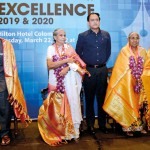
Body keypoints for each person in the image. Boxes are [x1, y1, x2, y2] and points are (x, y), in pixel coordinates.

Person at [38, 29, 90, 146]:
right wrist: (66, 61)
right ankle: (59, 133)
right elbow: (50, 65)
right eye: (61, 35)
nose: (63, 37)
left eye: (65, 35)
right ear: (55, 37)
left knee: (72, 104)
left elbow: (77, 63)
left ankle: (72, 133)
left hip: (69, 82)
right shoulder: (50, 49)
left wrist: (67, 67)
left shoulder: (69, 48)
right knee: (57, 108)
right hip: (56, 82)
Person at [103, 32, 150, 136]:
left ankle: (138, 126)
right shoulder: (124, 51)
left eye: (137, 38)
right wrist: (133, 77)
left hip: (140, 83)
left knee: (142, 100)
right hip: (126, 84)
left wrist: (140, 78)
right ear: (128, 39)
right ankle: (127, 126)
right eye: (132, 38)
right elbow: (121, 69)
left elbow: (146, 66)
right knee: (127, 94)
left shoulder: (143, 51)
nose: (135, 40)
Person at [76, 13, 111, 134]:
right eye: (92, 20)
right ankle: (90, 125)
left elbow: (108, 52)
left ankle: (102, 124)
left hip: (102, 70)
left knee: (102, 99)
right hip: (89, 71)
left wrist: (101, 63)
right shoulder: (82, 36)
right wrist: (85, 67)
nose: (95, 22)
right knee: (89, 99)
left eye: (97, 20)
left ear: (99, 21)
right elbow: (78, 54)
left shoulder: (106, 35)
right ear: (88, 22)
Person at [0, 38, 30, 145]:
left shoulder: (6, 45)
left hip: (3, 78)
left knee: (4, 107)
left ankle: (4, 133)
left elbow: (12, 66)